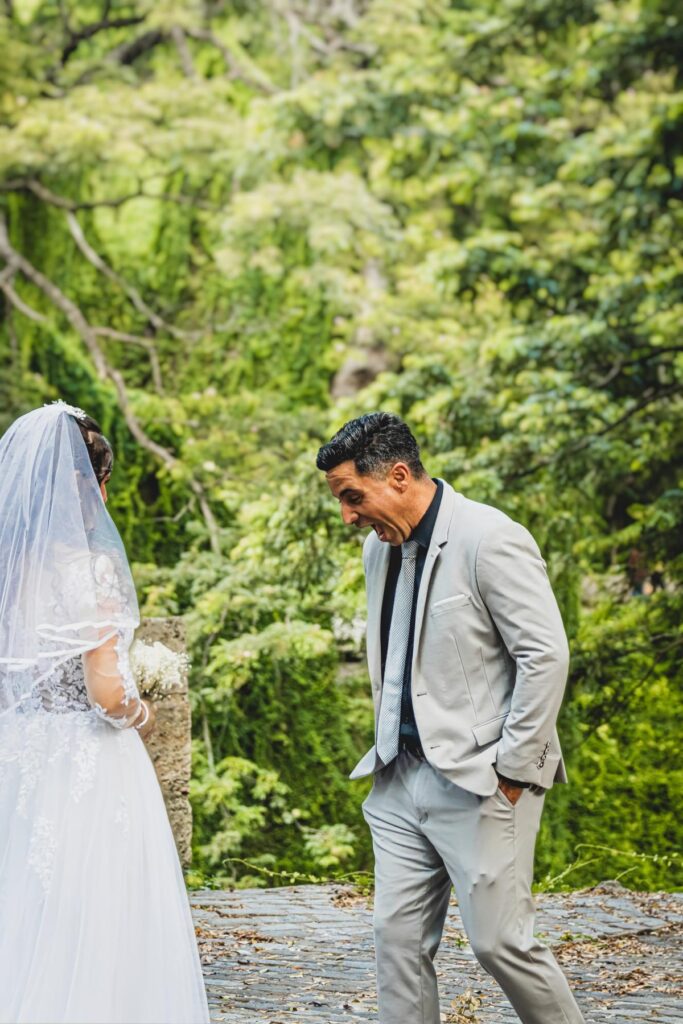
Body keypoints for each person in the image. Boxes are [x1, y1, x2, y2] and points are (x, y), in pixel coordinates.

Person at [317, 412, 585, 1024]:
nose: (348, 516)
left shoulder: (491, 537)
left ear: (401, 475)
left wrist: (513, 770)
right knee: (397, 944)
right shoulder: (376, 551)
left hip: (483, 780)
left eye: (353, 497)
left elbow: (545, 655)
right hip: (398, 777)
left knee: (501, 944)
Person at [0, 401, 209, 1024]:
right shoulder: (89, 571)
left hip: (19, 752)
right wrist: (142, 713)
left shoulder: (9, 577)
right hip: (85, 762)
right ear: (88, 488)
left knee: (26, 904)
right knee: (97, 908)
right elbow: (109, 696)